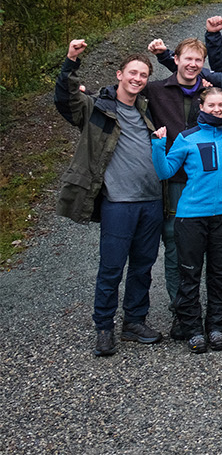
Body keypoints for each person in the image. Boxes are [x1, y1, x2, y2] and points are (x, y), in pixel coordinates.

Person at [56, 40, 166, 356]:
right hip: (119, 203)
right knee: (111, 268)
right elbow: (65, 100)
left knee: (143, 266)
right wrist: (71, 61)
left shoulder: (146, 110)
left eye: (143, 75)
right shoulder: (97, 108)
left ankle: (134, 322)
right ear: (119, 74)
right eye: (133, 73)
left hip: (151, 201)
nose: (138, 79)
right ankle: (104, 328)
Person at [150, 86, 222, 353]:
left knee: (220, 275)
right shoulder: (186, 138)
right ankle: (192, 328)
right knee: (189, 275)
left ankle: (215, 325)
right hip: (191, 217)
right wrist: (158, 144)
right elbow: (164, 170)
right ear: (201, 107)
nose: (217, 109)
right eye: (211, 105)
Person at [142, 36, 207, 340]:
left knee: (210, 246)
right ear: (176, 59)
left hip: (206, 182)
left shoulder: (209, 93)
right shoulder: (156, 90)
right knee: (175, 246)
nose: (193, 64)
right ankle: (180, 310)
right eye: (188, 59)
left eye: (198, 60)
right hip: (175, 181)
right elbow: (124, 95)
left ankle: (210, 308)